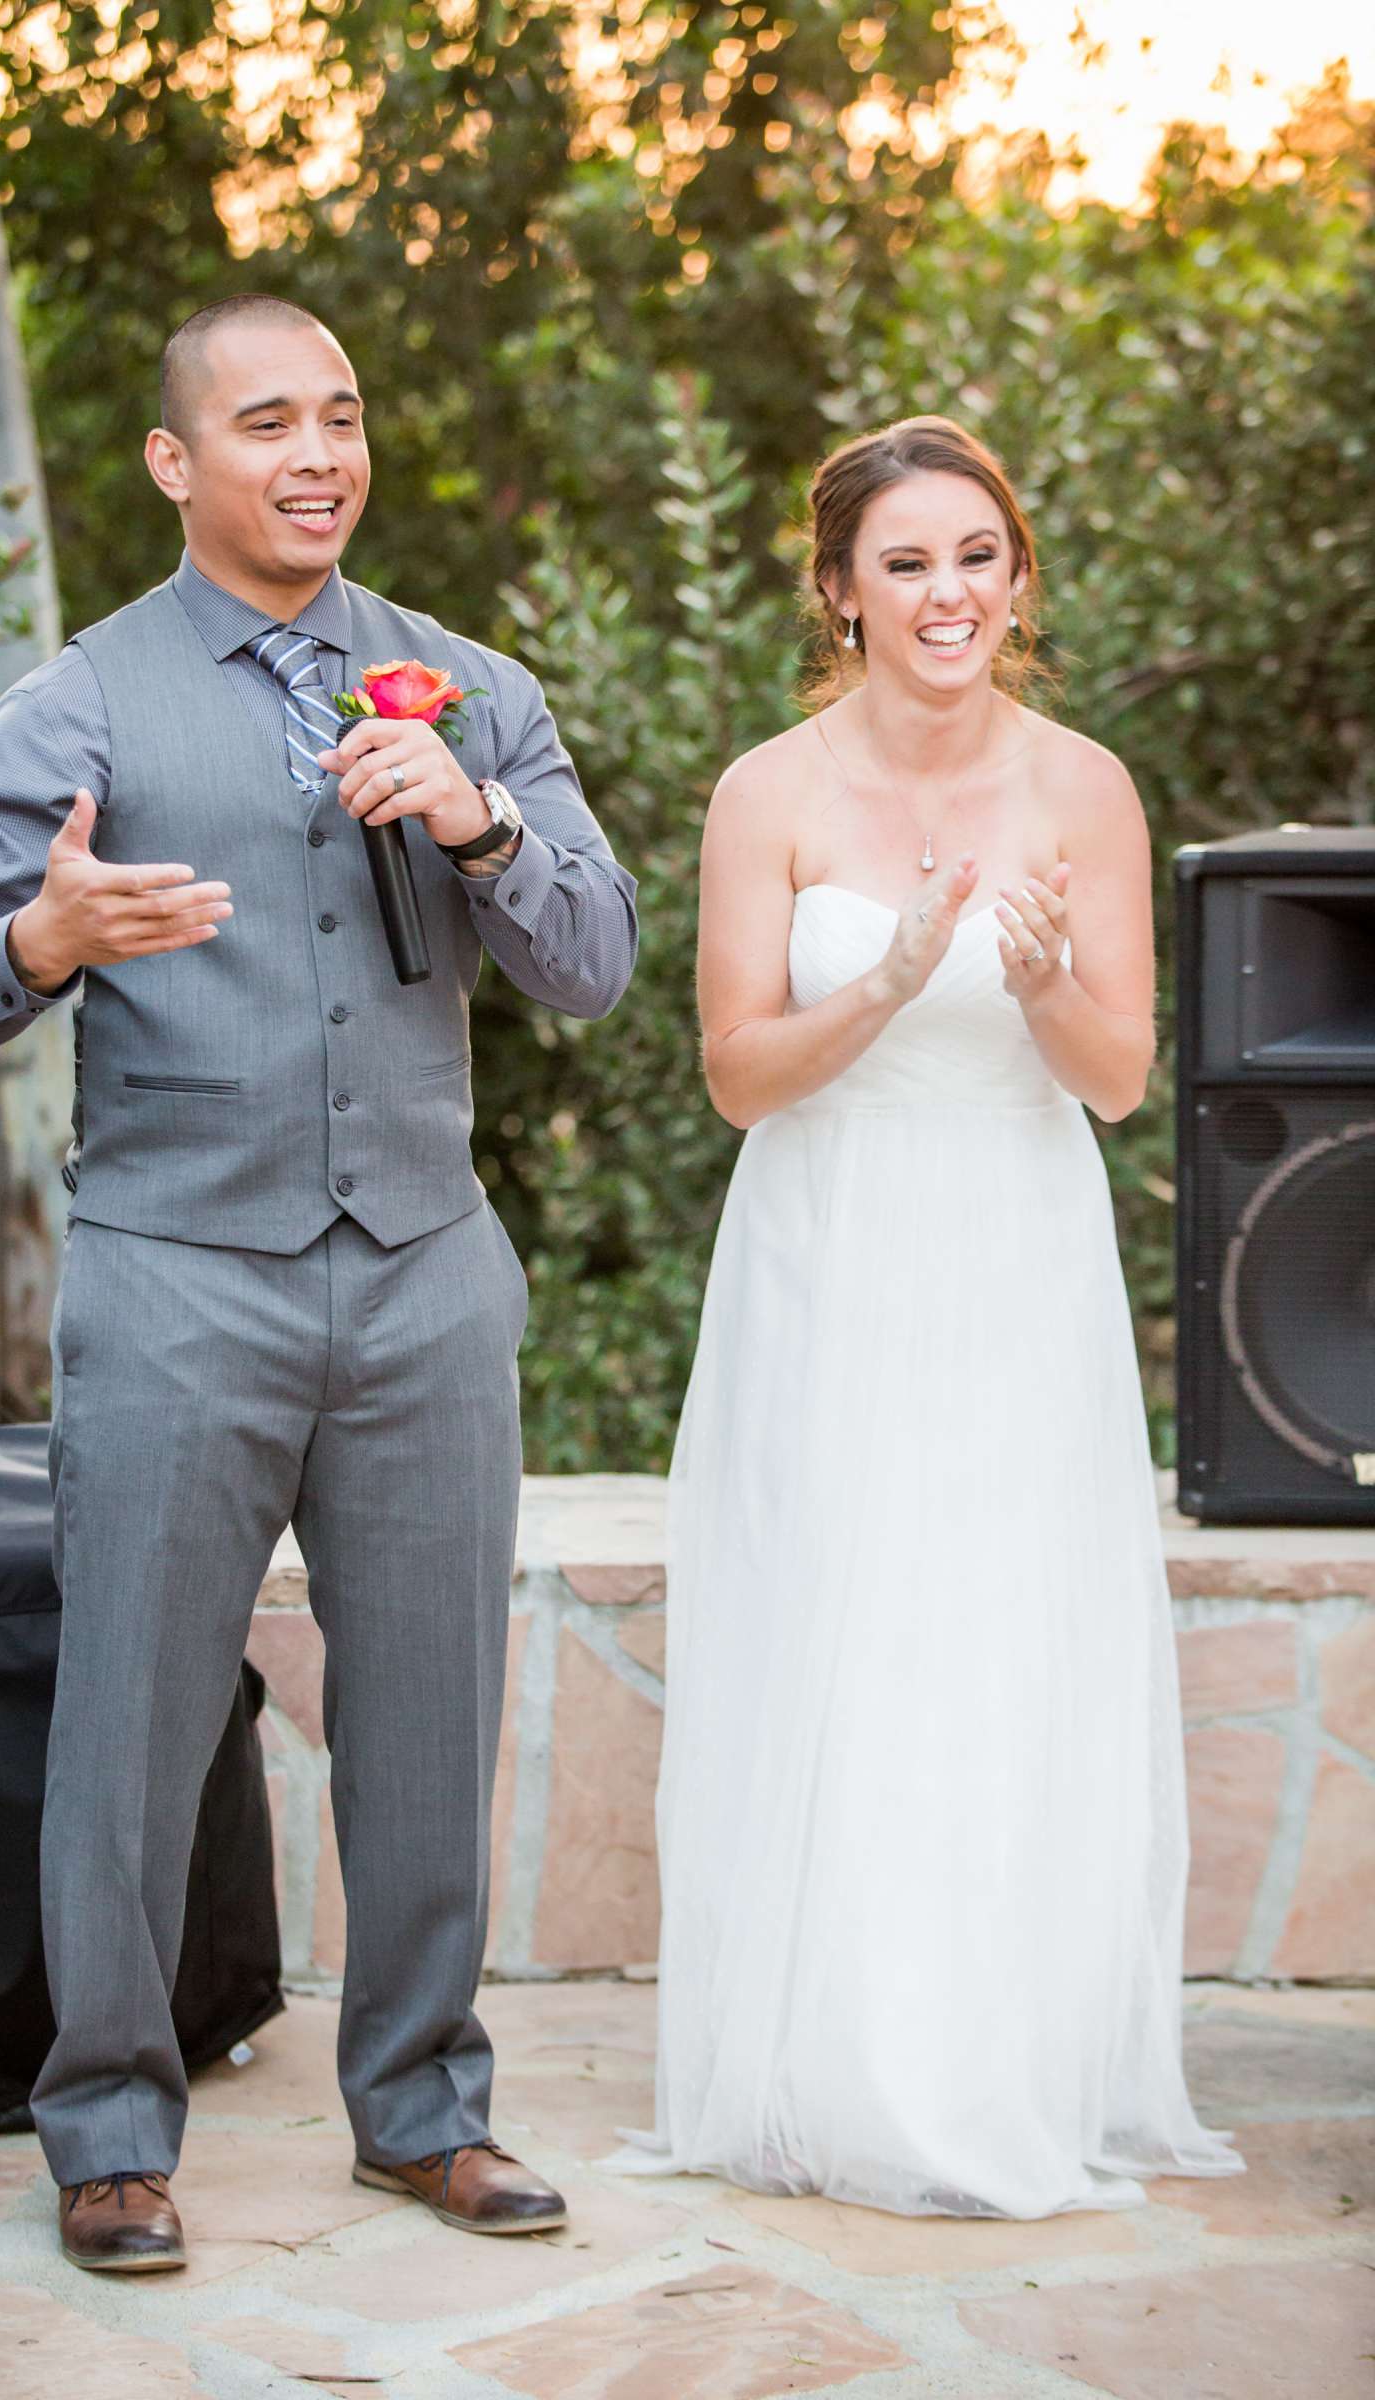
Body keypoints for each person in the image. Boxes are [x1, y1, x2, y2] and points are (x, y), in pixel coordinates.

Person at [0, 294, 638, 2270]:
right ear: (174, 461)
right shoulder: (86, 701)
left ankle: (423, 2107)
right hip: (176, 1274)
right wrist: (41, 936)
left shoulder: (466, 688)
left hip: (423, 1276)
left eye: (342, 416)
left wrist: (476, 825)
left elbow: (594, 960)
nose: (317, 453)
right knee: (125, 1720)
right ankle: (109, 2128)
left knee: (425, 1713)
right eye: (268, 421)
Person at [612, 414, 1241, 2218]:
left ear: (1017, 576)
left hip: (1015, 1259)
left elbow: (1118, 1080)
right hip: (827, 1253)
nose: (946, 591)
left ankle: (1002, 2066)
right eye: (905, 563)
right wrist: (892, 972)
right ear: (840, 590)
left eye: (977, 555)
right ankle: (827, 2072)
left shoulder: (1087, 789)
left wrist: (1038, 984)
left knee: (1001, 1644)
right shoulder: (770, 794)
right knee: (836, 1630)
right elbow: (740, 1076)